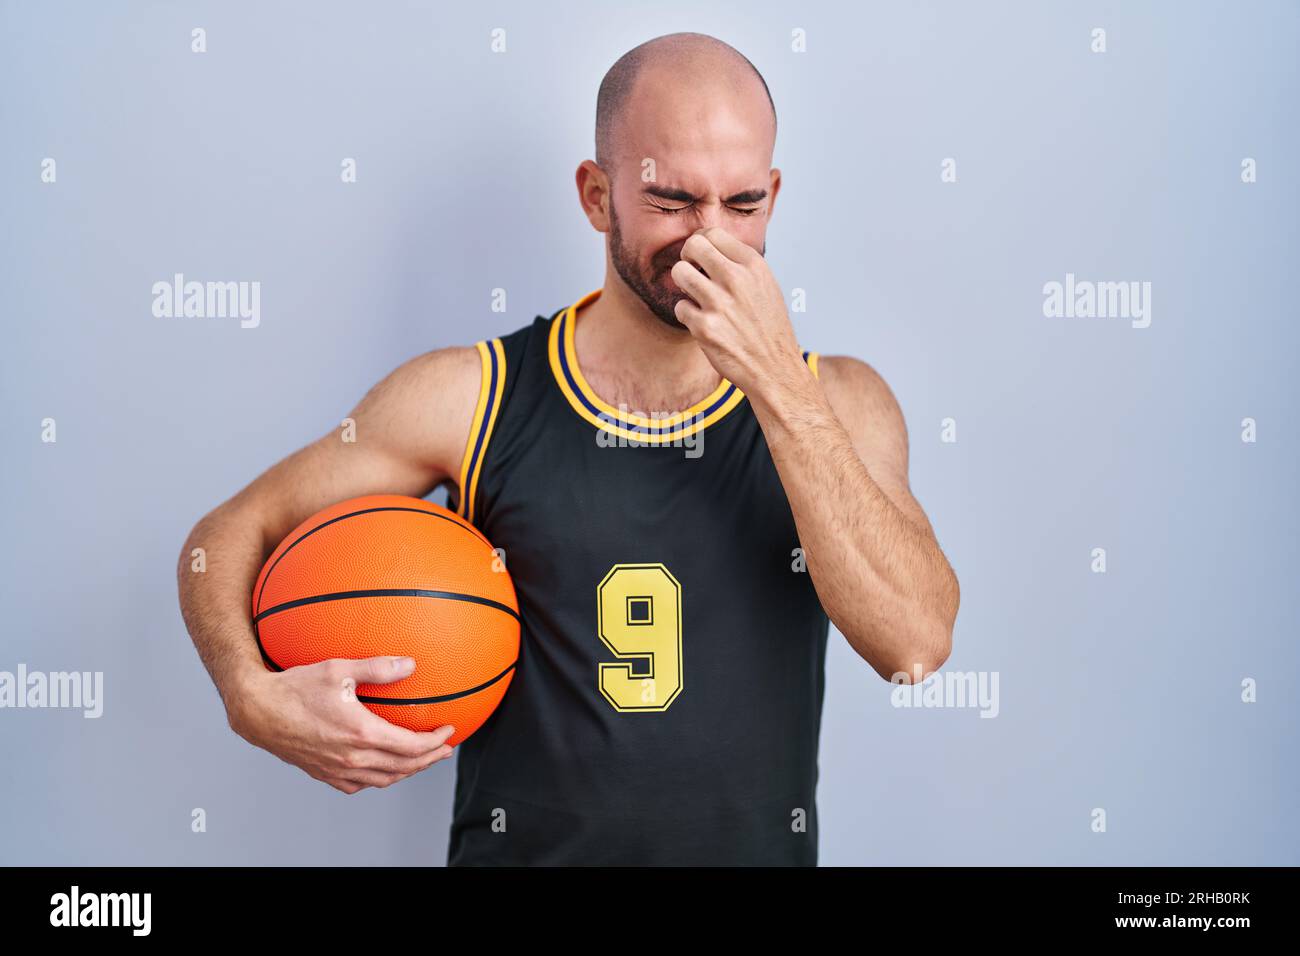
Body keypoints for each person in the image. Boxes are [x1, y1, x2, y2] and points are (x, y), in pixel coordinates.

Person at [177, 32, 959, 866]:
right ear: (596, 195)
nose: (709, 239)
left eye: (741, 204)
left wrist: (778, 387)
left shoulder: (838, 400)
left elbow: (914, 646)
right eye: (672, 201)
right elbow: (225, 536)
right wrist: (247, 693)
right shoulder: (472, 396)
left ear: (773, 193)